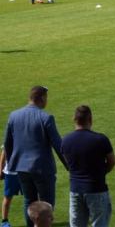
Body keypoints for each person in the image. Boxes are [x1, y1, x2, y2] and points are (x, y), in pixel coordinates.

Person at [3, 86, 67, 227]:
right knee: (46, 205)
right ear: (42, 98)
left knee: (29, 202)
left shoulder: (14, 115)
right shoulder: (46, 117)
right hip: (42, 169)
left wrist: (11, 164)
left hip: (21, 169)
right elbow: (58, 145)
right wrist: (70, 166)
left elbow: (7, 143)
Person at [61, 106, 115, 227]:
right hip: (97, 188)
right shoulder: (100, 139)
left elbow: (68, 163)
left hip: (75, 190)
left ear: (74, 119)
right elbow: (112, 162)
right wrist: (101, 172)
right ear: (90, 119)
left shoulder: (65, 140)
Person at [1, 145, 20, 227]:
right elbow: (3, 155)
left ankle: (33, 218)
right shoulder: (10, 137)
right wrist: (0, 169)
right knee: (8, 196)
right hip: (10, 173)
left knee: (30, 196)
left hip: (25, 171)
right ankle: (4, 221)